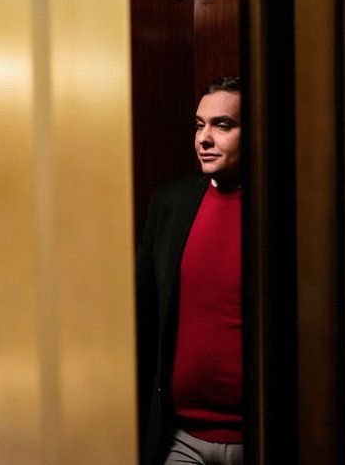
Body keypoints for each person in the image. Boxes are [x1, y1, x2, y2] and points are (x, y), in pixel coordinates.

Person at [136, 76, 244, 465]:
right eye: (200, 124)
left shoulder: (291, 209)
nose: (204, 138)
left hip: (263, 437)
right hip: (181, 437)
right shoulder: (171, 203)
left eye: (223, 125)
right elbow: (143, 312)